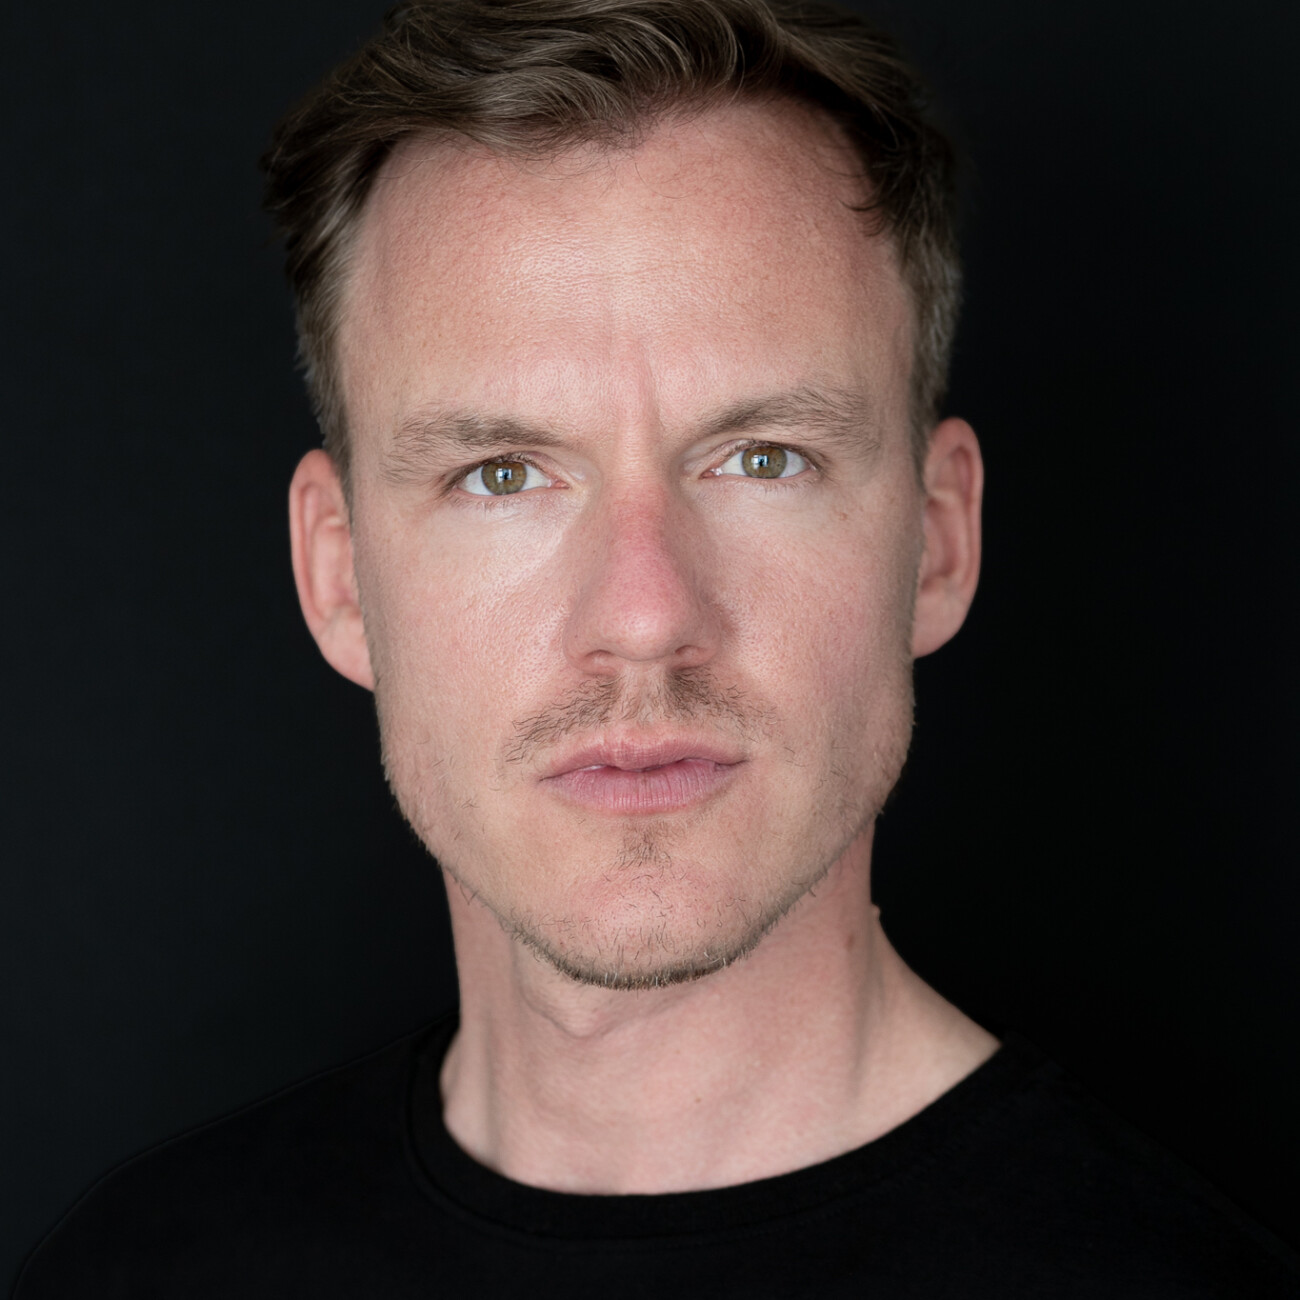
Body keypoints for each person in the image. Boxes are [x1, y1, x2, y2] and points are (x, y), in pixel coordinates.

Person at [13, 1, 1299, 1295]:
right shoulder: (133, 1274)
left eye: (763, 459)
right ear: (340, 575)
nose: (642, 616)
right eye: (502, 473)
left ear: (938, 543)